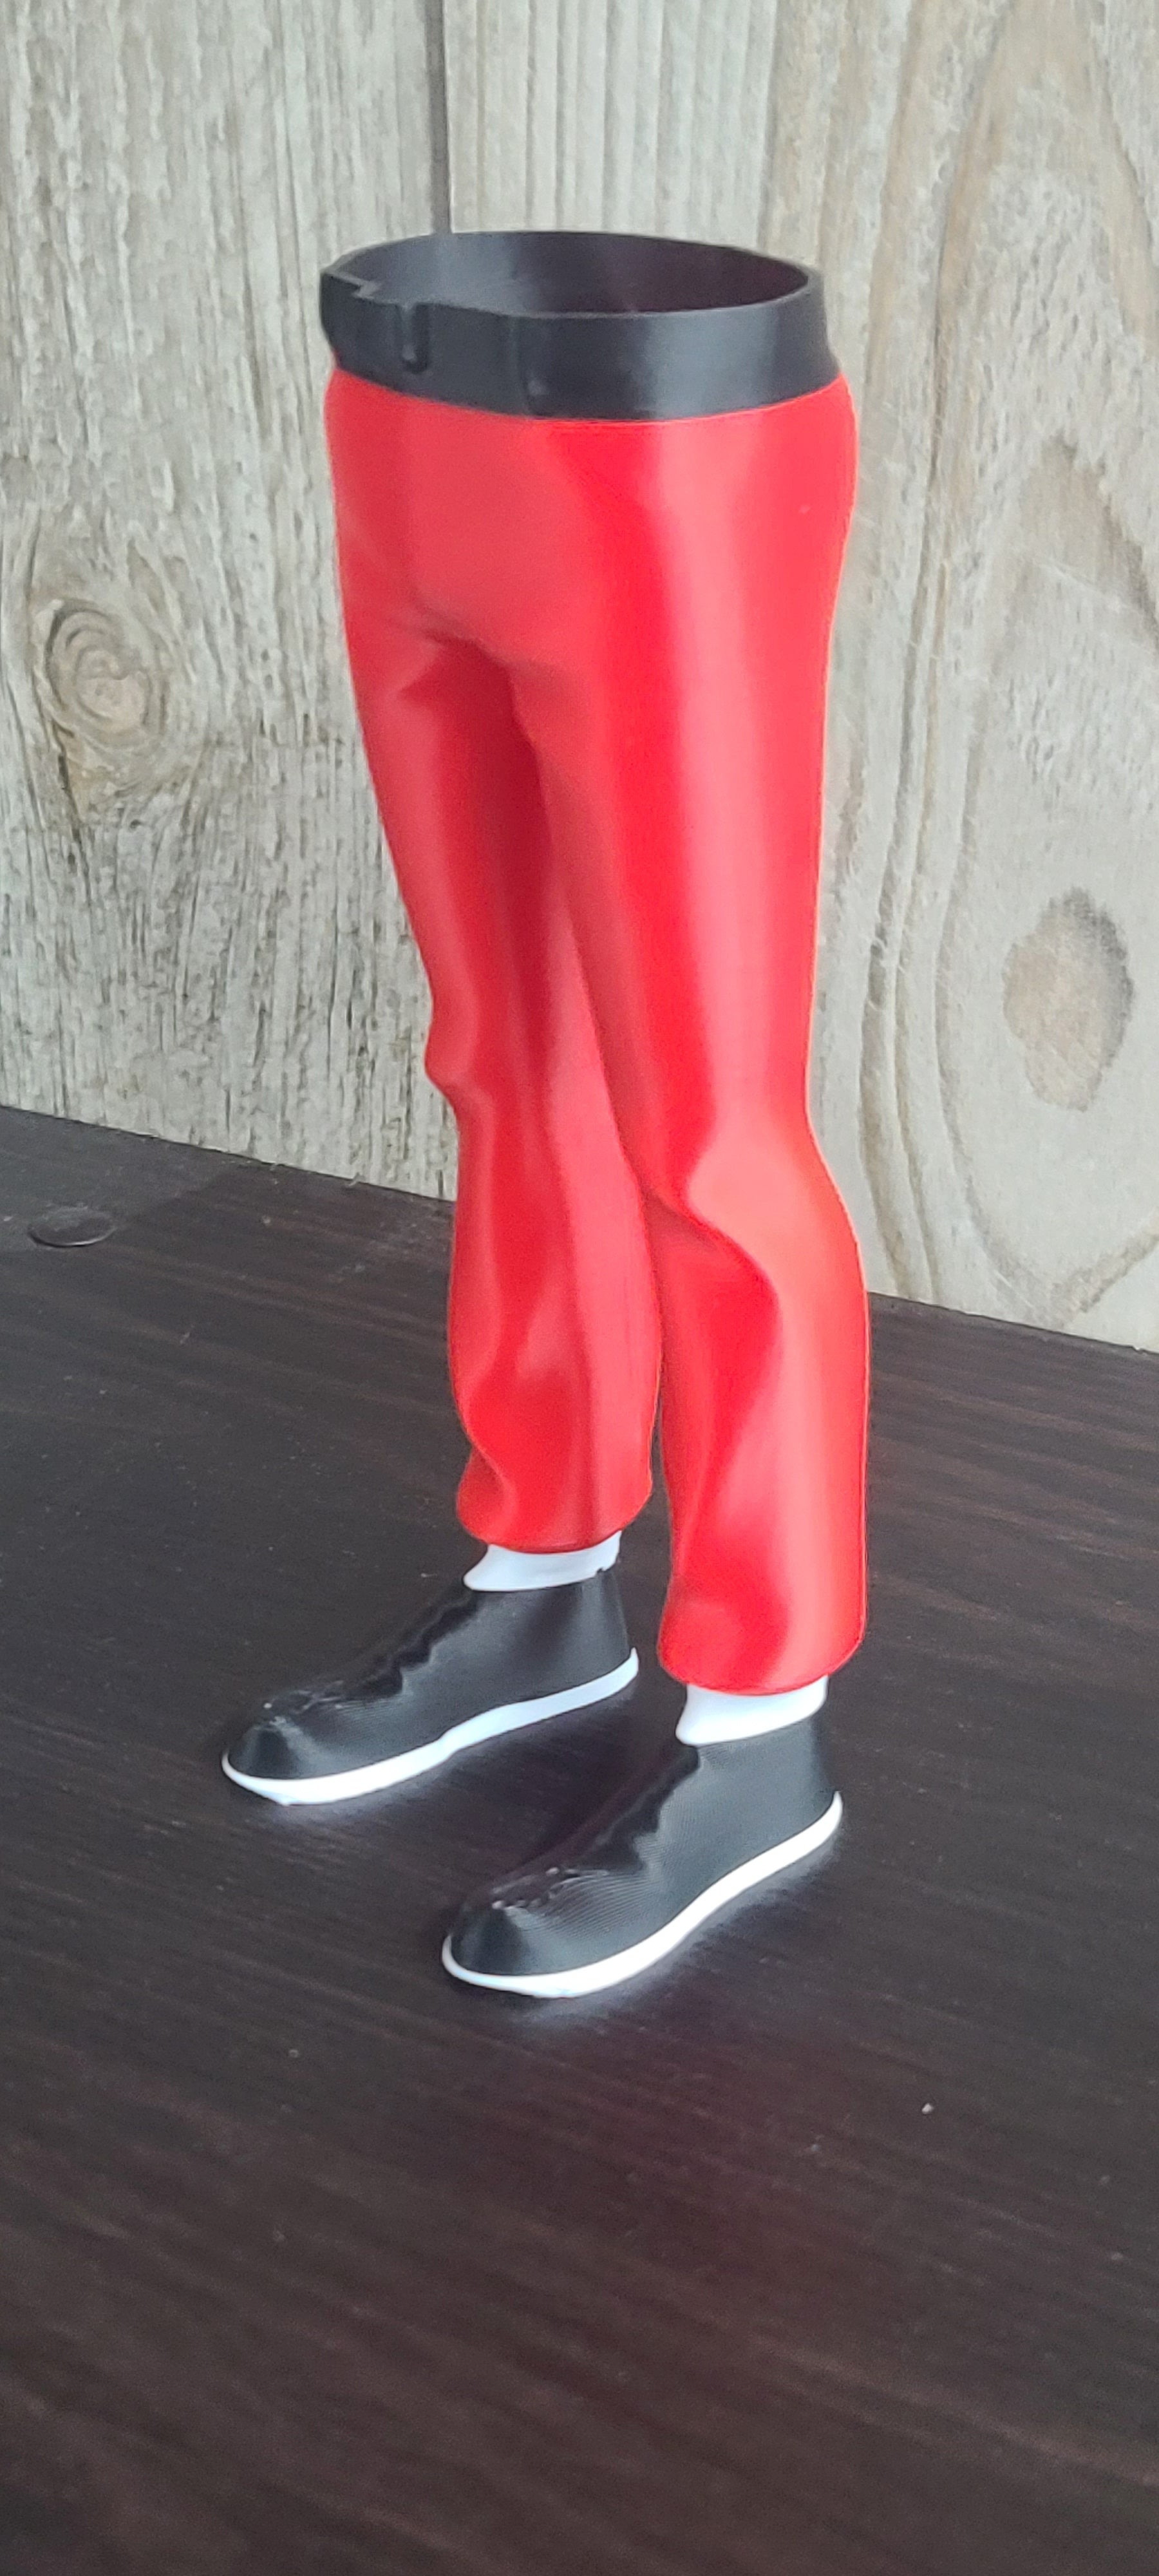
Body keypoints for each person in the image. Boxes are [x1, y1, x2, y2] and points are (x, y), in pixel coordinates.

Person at [223, 230, 869, 2000]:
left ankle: (761, 1734)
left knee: (714, 1135)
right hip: (404, 439)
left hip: (671, 462)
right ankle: (543, 1584)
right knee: (507, 1060)